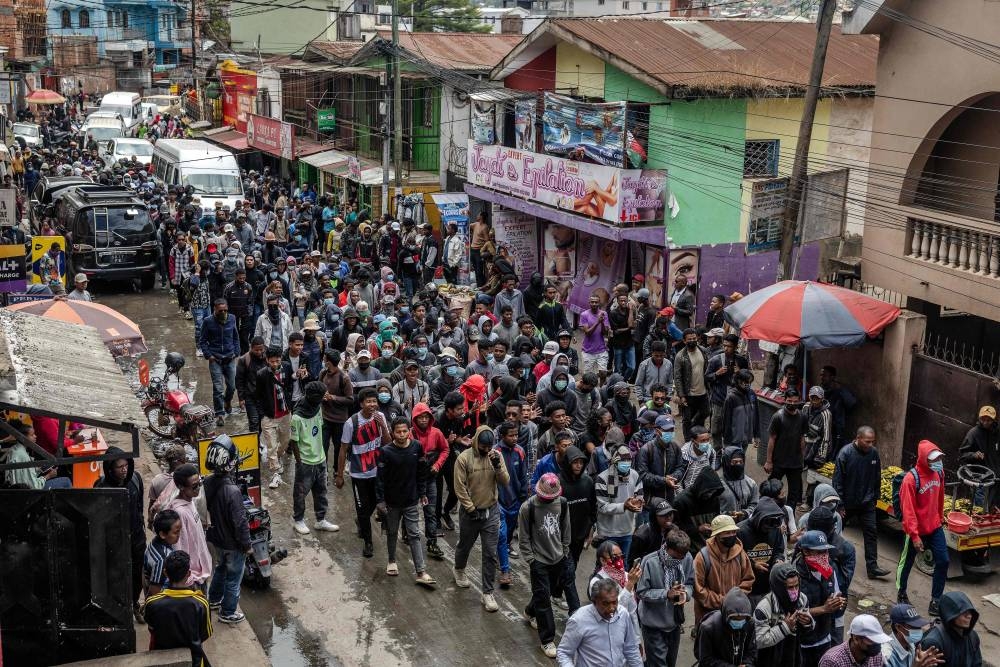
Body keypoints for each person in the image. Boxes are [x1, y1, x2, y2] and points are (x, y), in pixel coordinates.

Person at [520, 472, 577, 658]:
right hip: (539, 560)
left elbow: (566, 529)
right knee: (544, 600)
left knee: (545, 591)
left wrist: (565, 551)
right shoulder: (528, 508)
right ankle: (547, 640)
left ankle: (530, 611)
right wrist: (531, 559)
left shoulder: (562, 503)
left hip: (558, 558)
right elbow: (524, 537)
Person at [453, 426, 509, 612]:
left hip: (491, 512)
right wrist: (469, 508)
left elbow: (505, 481)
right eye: (483, 446)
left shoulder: (496, 456)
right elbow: (459, 487)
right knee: (465, 546)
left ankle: (488, 592)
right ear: (477, 442)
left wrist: (498, 466)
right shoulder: (464, 458)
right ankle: (459, 569)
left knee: (490, 553)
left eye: (489, 446)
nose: (486, 450)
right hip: (471, 512)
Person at [376, 416, 436, 586]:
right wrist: (380, 501)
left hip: (411, 500)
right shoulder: (386, 452)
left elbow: (421, 473)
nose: (402, 435)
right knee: (393, 532)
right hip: (391, 502)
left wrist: (422, 492)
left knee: (415, 534)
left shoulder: (417, 447)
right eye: (398, 432)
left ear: (409, 431)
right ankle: (391, 561)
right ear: (392, 432)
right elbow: (380, 479)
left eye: (405, 431)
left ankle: (421, 571)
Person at [338, 387, 392, 558]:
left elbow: (388, 442)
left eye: (374, 401)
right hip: (359, 474)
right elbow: (343, 449)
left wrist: (382, 425)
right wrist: (339, 475)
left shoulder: (381, 417)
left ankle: (361, 521)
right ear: (361, 404)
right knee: (362, 508)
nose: (372, 404)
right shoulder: (351, 423)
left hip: (377, 472)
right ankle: (368, 543)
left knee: (377, 505)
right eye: (368, 401)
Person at [203, 435, 252, 625]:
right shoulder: (233, 492)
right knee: (233, 579)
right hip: (232, 544)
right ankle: (228, 612)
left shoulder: (208, 482)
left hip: (216, 540)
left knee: (220, 569)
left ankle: (214, 599)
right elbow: (240, 523)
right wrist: (247, 545)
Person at [896, 440, 948, 617]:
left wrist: (940, 518)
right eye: (934, 459)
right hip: (916, 530)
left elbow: (940, 498)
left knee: (943, 560)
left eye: (939, 458)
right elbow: (908, 510)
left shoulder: (939, 473)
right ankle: (901, 592)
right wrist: (915, 536)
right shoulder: (911, 479)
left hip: (934, 527)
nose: (938, 462)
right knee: (907, 562)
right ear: (924, 459)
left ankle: (936, 600)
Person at [94, 447, 146, 624]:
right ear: (110, 468)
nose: (124, 469)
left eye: (126, 465)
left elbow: (139, 507)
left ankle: (134, 604)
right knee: (116, 576)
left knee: (137, 574)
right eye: (119, 466)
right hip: (115, 542)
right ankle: (119, 609)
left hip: (137, 538)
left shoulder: (136, 480)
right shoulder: (101, 487)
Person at [831, 426, 889, 578]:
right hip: (847, 504)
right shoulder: (845, 454)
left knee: (871, 533)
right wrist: (840, 504)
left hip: (866, 503)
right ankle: (831, 560)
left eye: (872, 442)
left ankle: (872, 567)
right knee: (836, 531)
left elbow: (877, 476)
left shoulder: (874, 454)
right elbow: (837, 481)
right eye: (867, 441)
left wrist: (874, 497)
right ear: (858, 438)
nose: (870, 445)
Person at [142, 551, 213, 667]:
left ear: (165, 573)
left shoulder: (152, 603)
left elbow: (152, 628)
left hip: (161, 660)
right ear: (189, 573)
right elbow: (205, 634)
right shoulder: (201, 603)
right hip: (193, 660)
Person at [637, 528, 693, 667]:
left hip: (674, 623)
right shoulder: (649, 562)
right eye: (677, 556)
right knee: (658, 664)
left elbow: (691, 583)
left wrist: (685, 594)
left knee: (670, 662)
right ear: (667, 548)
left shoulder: (686, 558)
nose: (680, 559)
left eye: (683, 555)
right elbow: (641, 592)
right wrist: (666, 594)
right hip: (653, 624)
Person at [556, 577, 643, 667]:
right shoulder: (579, 620)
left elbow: (631, 649)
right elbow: (563, 653)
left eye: (614, 602)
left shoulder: (623, 614)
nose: (611, 608)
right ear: (594, 601)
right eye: (605, 603)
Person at [289, 381, 339, 535]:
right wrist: (300, 462)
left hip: (320, 459)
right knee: (301, 493)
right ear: (315, 396)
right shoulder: (297, 417)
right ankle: (299, 520)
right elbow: (294, 442)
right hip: (305, 462)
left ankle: (321, 519)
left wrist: (322, 455)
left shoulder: (317, 408)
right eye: (322, 395)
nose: (325, 397)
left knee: (321, 491)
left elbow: (319, 430)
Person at [793, 530, 845, 667]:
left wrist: (837, 601)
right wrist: (824, 609)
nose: (824, 556)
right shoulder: (794, 576)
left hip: (824, 637)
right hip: (802, 642)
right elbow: (794, 612)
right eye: (819, 552)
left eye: (826, 552)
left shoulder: (829, 569)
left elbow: (836, 593)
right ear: (806, 552)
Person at [693, 515, 754, 625]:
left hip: (734, 614)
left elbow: (748, 580)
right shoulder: (702, 557)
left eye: (733, 532)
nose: (731, 535)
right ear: (717, 535)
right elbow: (698, 590)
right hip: (708, 617)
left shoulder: (740, 554)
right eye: (727, 532)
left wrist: (734, 600)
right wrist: (723, 601)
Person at [754, 562, 815, 667]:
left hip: (793, 655)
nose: (795, 591)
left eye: (797, 586)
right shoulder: (764, 608)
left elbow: (805, 631)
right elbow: (759, 641)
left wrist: (808, 623)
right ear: (779, 587)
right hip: (769, 659)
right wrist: (784, 627)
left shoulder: (802, 599)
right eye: (790, 587)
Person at [411, 402, 449, 560]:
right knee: (410, 511)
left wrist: (437, 465)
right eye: (420, 417)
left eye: (426, 417)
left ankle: (432, 542)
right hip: (412, 481)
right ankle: (407, 533)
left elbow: (445, 449)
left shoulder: (437, 433)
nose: (424, 420)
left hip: (430, 479)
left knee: (431, 512)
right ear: (415, 419)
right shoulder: (409, 434)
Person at [165, 464, 213, 590]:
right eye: (194, 486)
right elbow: (179, 549)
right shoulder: (180, 513)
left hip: (200, 574)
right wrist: (189, 580)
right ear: (181, 487)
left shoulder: (190, 501)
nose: (198, 489)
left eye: (199, 484)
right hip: (192, 579)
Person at [595, 446, 644, 563]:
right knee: (605, 566)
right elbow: (603, 507)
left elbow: (639, 498)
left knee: (623, 566)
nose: (626, 463)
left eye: (628, 460)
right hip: (607, 532)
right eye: (623, 461)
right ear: (615, 461)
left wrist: (638, 504)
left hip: (627, 530)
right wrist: (624, 506)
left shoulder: (635, 476)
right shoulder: (602, 478)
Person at [495, 420, 528, 587]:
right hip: (499, 501)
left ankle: (502, 550)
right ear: (502, 436)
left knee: (507, 535)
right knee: (501, 534)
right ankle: (505, 570)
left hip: (514, 501)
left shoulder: (520, 452)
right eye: (511, 435)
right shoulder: (495, 452)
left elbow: (523, 477)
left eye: (516, 435)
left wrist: (523, 496)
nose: (515, 438)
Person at [736, 497, 786, 605]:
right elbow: (735, 558)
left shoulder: (775, 530)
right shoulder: (740, 531)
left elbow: (779, 550)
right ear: (758, 519)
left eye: (772, 527)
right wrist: (753, 565)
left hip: (768, 587)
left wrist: (778, 560)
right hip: (746, 588)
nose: (769, 530)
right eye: (766, 526)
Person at [199, 298, 240, 427]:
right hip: (215, 359)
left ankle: (227, 402)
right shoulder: (208, 321)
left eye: (225, 310)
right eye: (220, 310)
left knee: (232, 386)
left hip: (230, 358)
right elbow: (202, 341)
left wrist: (236, 352)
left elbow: (235, 337)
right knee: (218, 388)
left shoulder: (232, 318)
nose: (223, 312)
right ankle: (220, 414)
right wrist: (208, 355)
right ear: (215, 309)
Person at [257, 346, 294, 489]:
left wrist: (289, 404)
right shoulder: (261, 374)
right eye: (272, 361)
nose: (275, 364)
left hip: (285, 413)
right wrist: (263, 414)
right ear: (267, 360)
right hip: (269, 416)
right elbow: (258, 396)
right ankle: (275, 472)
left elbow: (290, 386)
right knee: (271, 445)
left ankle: (277, 459)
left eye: (277, 361)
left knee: (285, 441)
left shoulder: (287, 368)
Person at [766, 390, 808, 509]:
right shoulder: (778, 417)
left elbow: (802, 439)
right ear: (785, 400)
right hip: (779, 461)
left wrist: (802, 458)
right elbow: (772, 439)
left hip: (795, 463)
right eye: (790, 401)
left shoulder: (803, 417)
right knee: (772, 489)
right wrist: (769, 461)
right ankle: (769, 511)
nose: (793, 404)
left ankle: (789, 516)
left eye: (795, 401)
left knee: (793, 494)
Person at [695, 587, 757, 667]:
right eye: (734, 618)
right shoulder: (708, 627)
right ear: (726, 614)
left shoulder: (749, 623)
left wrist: (746, 664)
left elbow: (752, 651)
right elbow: (705, 659)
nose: (739, 622)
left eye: (742, 618)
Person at [919, 592, 981, 667]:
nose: (969, 616)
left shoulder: (973, 636)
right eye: (964, 612)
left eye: (970, 612)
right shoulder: (934, 642)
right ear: (950, 615)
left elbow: (977, 663)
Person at [559, 444, 597, 567]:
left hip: (580, 536)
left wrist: (590, 531)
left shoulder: (588, 481)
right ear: (567, 463)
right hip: (561, 538)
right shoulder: (558, 483)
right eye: (575, 462)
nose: (578, 465)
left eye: (581, 462)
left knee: (573, 565)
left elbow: (593, 508)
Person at [635, 414, 684, 504]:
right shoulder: (646, 450)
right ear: (657, 431)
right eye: (666, 430)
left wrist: (673, 477)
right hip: (651, 500)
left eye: (672, 430)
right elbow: (642, 475)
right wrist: (664, 480)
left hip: (670, 499)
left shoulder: (675, 447)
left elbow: (680, 468)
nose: (670, 432)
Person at [959, 406, 999, 508]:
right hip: (981, 478)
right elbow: (962, 455)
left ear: (994, 420)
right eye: (983, 419)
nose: (986, 422)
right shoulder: (973, 433)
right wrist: (974, 455)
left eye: (989, 420)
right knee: (980, 509)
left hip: (996, 478)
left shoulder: (997, 433)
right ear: (979, 419)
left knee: (992, 507)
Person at [674, 329, 710, 441]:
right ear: (684, 341)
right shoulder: (680, 356)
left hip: (703, 392)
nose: (693, 340)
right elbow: (678, 377)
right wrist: (681, 395)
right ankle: (688, 442)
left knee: (705, 413)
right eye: (690, 339)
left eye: (694, 338)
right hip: (689, 394)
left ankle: (699, 438)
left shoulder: (703, 351)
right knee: (687, 420)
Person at [819, 615, 892, 667]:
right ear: (856, 639)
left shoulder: (876, 656)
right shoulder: (832, 661)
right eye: (873, 640)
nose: (877, 644)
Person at [144, 510, 181, 597]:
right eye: (176, 532)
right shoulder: (162, 560)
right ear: (163, 534)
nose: (179, 534)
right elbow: (154, 592)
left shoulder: (155, 543)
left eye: (180, 530)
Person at [723, 369, 759, 451]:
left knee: (742, 459)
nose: (748, 384)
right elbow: (726, 421)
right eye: (746, 382)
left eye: (750, 382)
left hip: (746, 438)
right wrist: (727, 441)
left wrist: (757, 435)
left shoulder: (752, 394)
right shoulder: (731, 398)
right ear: (738, 381)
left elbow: (756, 416)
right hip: (734, 440)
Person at [720, 447, 758, 521]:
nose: (738, 464)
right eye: (734, 462)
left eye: (741, 462)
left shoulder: (751, 483)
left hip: (745, 524)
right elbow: (713, 509)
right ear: (726, 462)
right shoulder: (718, 485)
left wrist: (746, 513)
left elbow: (755, 504)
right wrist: (726, 515)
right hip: (725, 526)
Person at [803, 386, 834, 470]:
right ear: (809, 397)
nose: (815, 400)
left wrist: (820, 457)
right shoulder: (806, 407)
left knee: (814, 472)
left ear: (822, 398)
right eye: (813, 397)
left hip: (818, 445)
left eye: (817, 398)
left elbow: (826, 437)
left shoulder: (826, 414)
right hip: (806, 443)